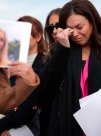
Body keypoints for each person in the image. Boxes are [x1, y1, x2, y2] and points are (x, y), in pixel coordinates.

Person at [46, 0, 101, 136]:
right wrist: (61, 49)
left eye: (80, 27)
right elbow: (47, 87)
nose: (75, 34)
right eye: (70, 29)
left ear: (93, 22)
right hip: (67, 127)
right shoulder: (60, 51)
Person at [0, 16, 47, 136]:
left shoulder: (45, 63)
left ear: (38, 36)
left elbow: (28, 107)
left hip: (32, 128)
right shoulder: (6, 64)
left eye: (25, 34)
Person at [38, 8, 62, 136]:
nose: (54, 31)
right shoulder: (47, 58)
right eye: (50, 28)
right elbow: (40, 90)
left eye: (58, 25)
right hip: (50, 125)